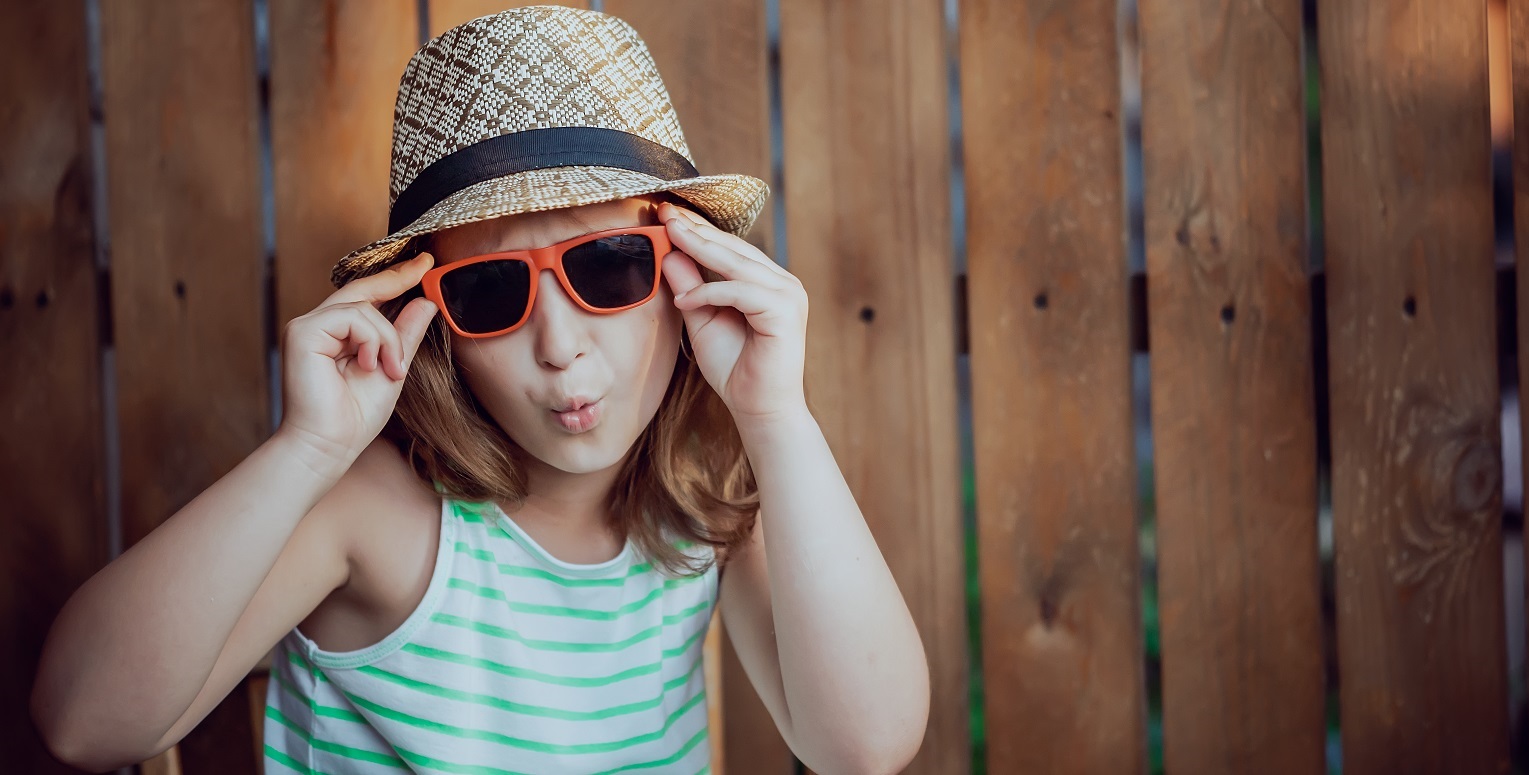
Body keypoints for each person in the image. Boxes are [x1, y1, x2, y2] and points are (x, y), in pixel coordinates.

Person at [30, 6, 929, 774]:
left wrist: (776, 417)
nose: (561, 347)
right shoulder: (378, 517)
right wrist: (305, 452)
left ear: (686, 274)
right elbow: (81, 721)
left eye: (610, 268)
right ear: (433, 324)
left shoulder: (701, 509)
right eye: (491, 291)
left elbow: (866, 746)